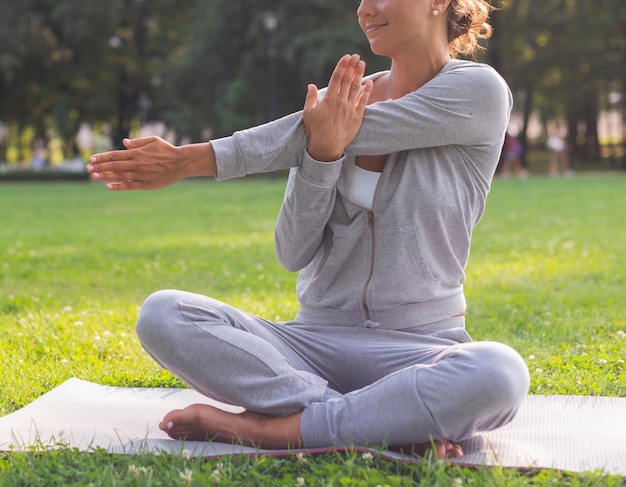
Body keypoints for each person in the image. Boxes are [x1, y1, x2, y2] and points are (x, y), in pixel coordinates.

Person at [86, 0, 529, 459]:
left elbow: (341, 131)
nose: (365, 9)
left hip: (419, 347)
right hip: (311, 345)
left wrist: (189, 160)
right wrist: (320, 158)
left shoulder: (477, 91)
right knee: (163, 314)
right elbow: (292, 252)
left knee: (500, 373)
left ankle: (275, 430)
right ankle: (384, 427)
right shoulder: (336, 105)